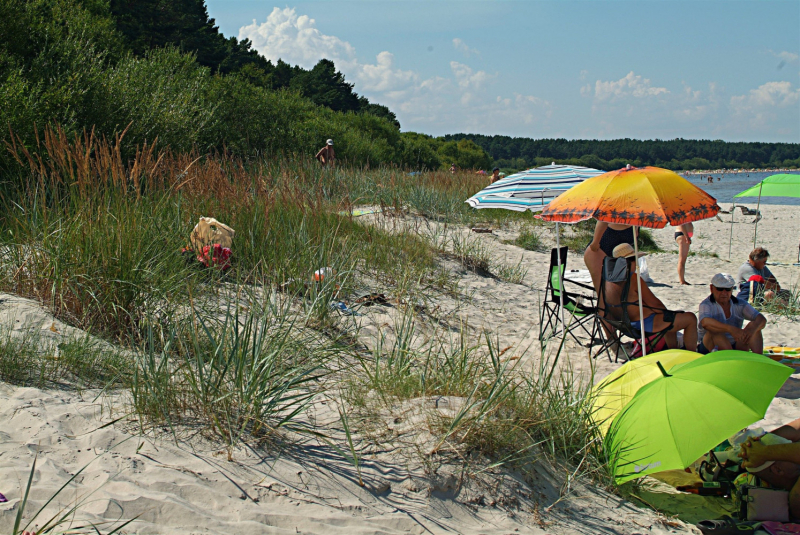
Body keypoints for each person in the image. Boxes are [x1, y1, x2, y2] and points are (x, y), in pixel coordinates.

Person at [601, 243, 698, 351]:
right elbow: (654, 303)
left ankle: (673, 350)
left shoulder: (608, 281)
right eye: (635, 259)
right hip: (641, 325)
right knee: (690, 319)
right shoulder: (634, 279)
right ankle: (691, 353)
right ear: (629, 261)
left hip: (622, 324)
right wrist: (668, 313)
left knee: (669, 317)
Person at [739, 421, 800, 518]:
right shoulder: (796, 498)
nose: (794, 445)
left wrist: (759, 442)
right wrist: (763, 452)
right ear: (778, 470)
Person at [697, 273, 766, 355]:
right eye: (720, 289)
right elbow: (705, 323)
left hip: (734, 344)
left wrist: (751, 330)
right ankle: (731, 357)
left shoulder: (740, 304)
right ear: (712, 288)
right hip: (708, 346)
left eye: (728, 289)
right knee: (715, 332)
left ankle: (758, 359)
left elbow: (761, 319)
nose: (724, 293)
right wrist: (730, 329)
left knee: (754, 326)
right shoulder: (706, 304)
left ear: (732, 289)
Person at [584, 221, 635, 292]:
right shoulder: (618, 211)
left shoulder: (638, 216)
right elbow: (602, 219)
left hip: (619, 257)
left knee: (618, 293)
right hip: (598, 251)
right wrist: (595, 242)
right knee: (603, 294)